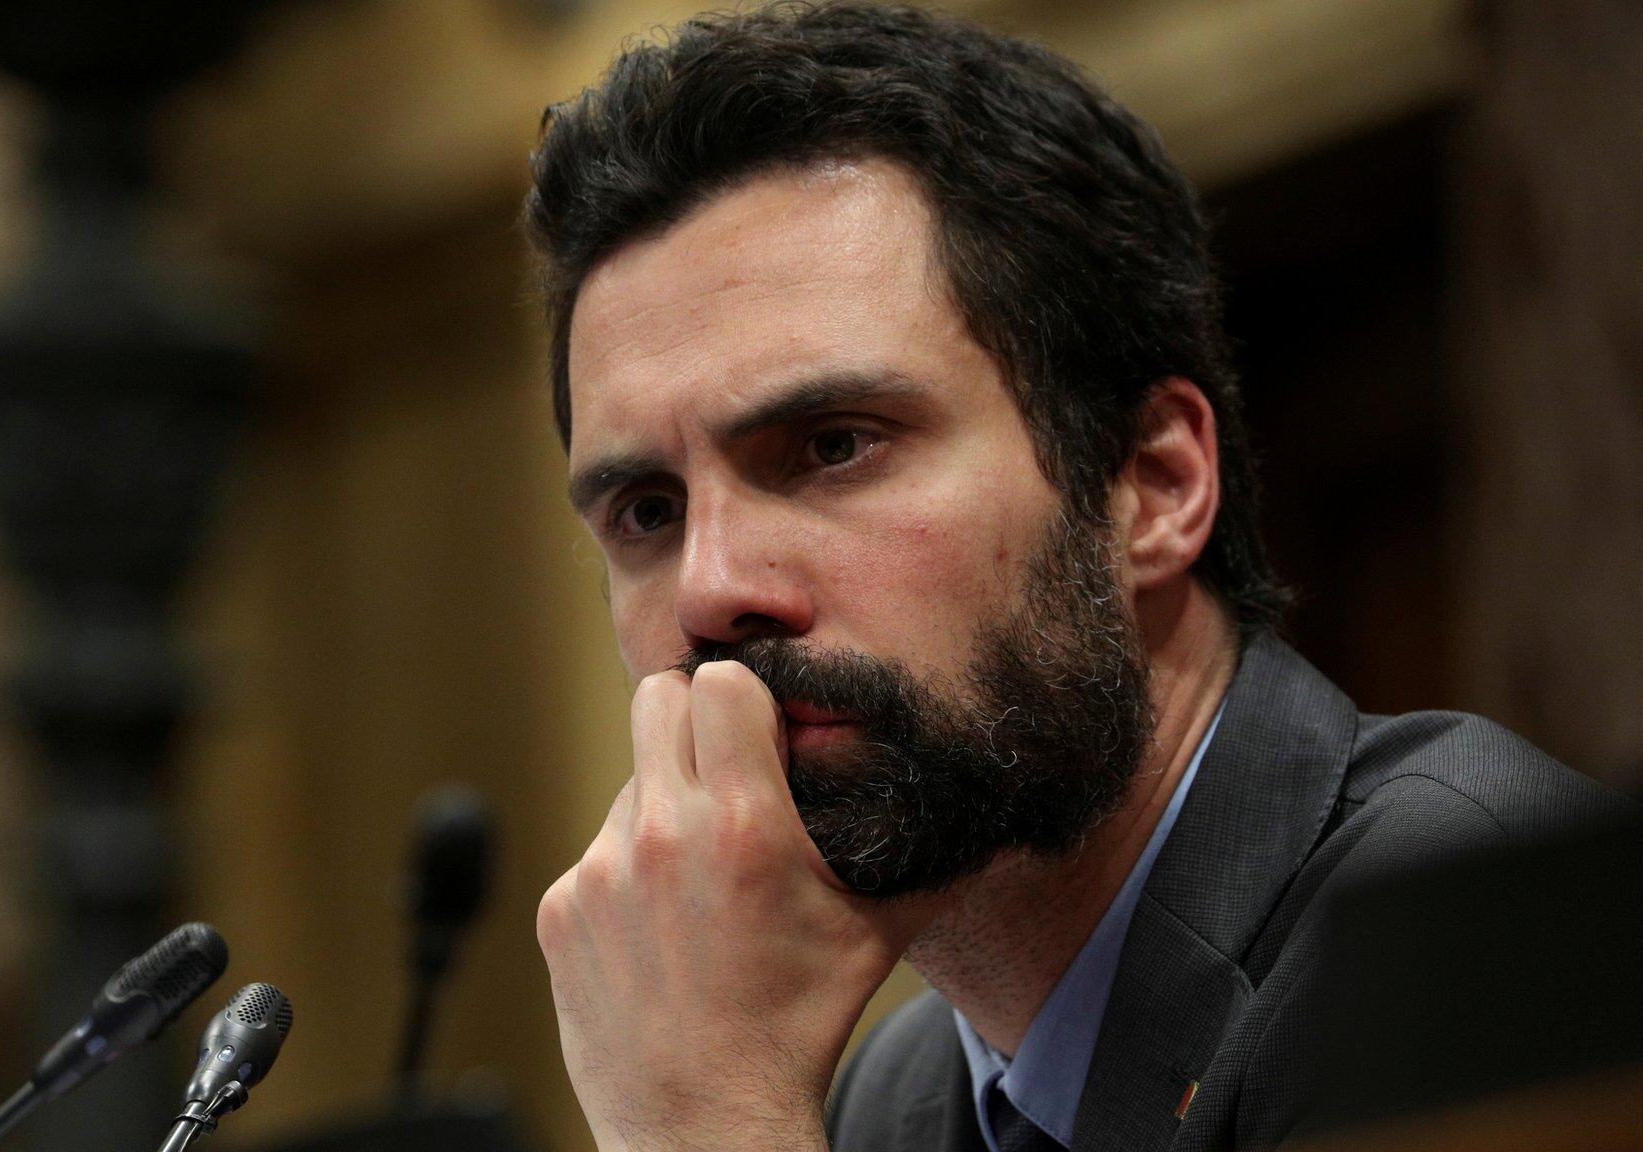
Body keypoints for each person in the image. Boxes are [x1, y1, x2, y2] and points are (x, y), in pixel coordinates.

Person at [521, 4, 1624, 1152]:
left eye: (832, 443)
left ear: (1152, 486)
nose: (708, 590)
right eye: (646, 512)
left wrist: (704, 1123)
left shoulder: (1466, 943)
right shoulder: (892, 1100)